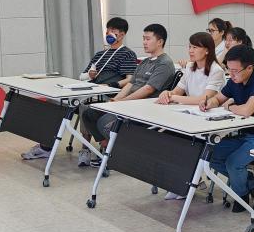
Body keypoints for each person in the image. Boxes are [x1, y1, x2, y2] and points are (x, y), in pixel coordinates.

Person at [24, 16, 138, 161]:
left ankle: (86, 149)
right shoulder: (100, 54)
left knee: (85, 106)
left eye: (113, 31)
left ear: (122, 34)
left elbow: (129, 80)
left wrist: (109, 85)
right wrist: (90, 75)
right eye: (107, 31)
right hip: (90, 89)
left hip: (107, 94)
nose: (109, 34)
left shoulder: (127, 54)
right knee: (54, 102)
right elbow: (82, 76)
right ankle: (46, 146)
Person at [200, 45, 254, 214]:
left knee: (233, 163)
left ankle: (242, 196)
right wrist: (209, 103)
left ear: (249, 68)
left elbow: (247, 110)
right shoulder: (235, 80)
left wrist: (230, 106)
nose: (231, 75)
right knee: (209, 155)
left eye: (235, 71)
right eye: (228, 69)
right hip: (246, 134)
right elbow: (218, 99)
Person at [82, 24, 176, 164]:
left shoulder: (164, 63)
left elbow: (148, 89)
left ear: (160, 41)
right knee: (89, 114)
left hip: (142, 107)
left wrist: (122, 102)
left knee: (104, 122)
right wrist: (114, 101)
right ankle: (107, 148)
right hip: (127, 104)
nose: (144, 42)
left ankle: (113, 153)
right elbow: (131, 84)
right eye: (143, 38)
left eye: (148, 39)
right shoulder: (145, 61)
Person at [157, 32, 225, 106]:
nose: (190, 51)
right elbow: (177, 92)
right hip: (191, 109)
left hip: (209, 111)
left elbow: (204, 99)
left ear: (207, 50)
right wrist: (167, 94)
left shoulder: (217, 71)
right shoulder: (189, 67)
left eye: (195, 47)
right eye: (190, 47)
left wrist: (173, 98)